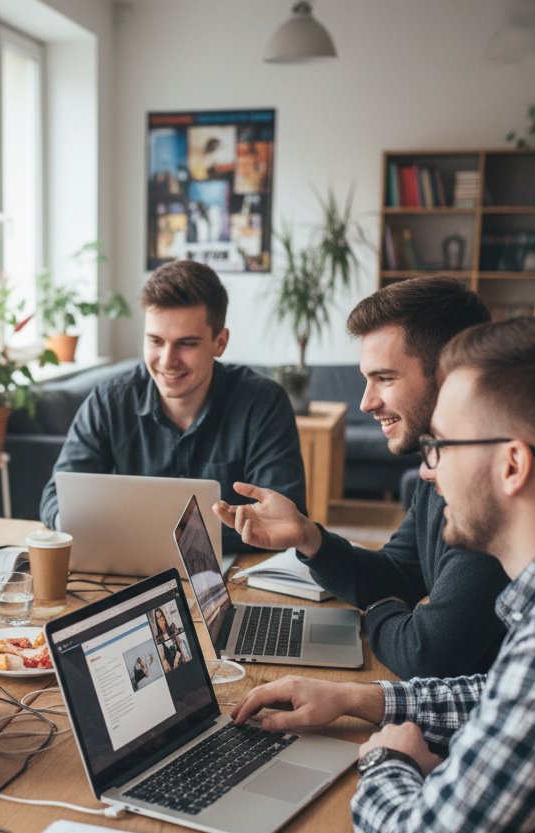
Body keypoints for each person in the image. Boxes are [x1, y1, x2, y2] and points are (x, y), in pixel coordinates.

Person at [231, 317, 535, 833]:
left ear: (513, 464)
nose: (426, 471)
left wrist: (388, 760)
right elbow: (505, 696)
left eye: (442, 446)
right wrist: (365, 700)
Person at [215, 276, 509, 678]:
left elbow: (426, 653)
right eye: (366, 379)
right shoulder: (434, 471)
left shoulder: (493, 491)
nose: (366, 402)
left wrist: (377, 609)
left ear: (449, 376)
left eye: (384, 378)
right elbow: (397, 573)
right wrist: (309, 538)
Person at [40, 260, 306, 552]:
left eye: (187, 344)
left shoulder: (263, 403)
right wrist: (80, 524)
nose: (167, 360)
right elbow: (56, 498)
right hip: (130, 570)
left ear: (220, 342)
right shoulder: (109, 401)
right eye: (155, 341)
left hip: (234, 575)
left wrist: (143, 531)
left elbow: (283, 520)